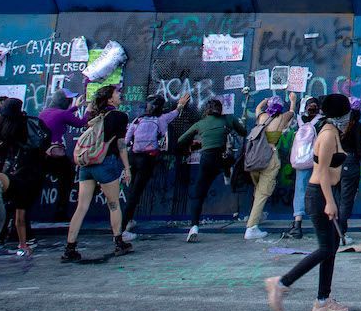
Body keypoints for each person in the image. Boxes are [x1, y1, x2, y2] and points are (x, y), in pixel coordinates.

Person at [265, 92, 350, 311]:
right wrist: (330, 203)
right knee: (325, 248)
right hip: (320, 195)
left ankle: (323, 300)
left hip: (324, 193)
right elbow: (321, 171)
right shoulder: (328, 135)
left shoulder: (332, 132)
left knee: (330, 249)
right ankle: (281, 283)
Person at [61, 84, 133, 262]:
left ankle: (70, 247)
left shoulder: (93, 116)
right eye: (116, 93)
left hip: (87, 164)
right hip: (106, 162)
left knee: (81, 206)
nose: (119, 95)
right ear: (110, 99)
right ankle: (118, 241)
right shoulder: (119, 116)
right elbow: (121, 144)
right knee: (114, 204)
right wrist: (127, 167)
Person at [0, 97, 46, 254]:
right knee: (21, 209)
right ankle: (23, 241)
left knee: (7, 205)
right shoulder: (29, 122)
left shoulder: (3, 125)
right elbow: (44, 139)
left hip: (7, 170)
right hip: (29, 170)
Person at [121, 91, 190, 239]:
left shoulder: (137, 121)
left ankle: (127, 220)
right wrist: (180, 105)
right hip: (148, 159)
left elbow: (126, 141)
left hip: (133, 158)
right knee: (136, 192)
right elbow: (175, 113)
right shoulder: (161, 120)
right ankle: (122, 228)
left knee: (133, 190)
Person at [179, 97, 247, 241]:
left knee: (198, 193)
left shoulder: (201, 123)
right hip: (222, 158)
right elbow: (243, 132)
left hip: (206, 159)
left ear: (206, 110)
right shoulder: (228, 120)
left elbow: (181, 140)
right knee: (233, 162)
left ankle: (194, 226)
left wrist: (197, 142)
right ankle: (228, 173)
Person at [244, 94, 298, 240]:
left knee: (258, 190)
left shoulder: (261, 118)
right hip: (270, 157)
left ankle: (257, 215)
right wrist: (293, 100)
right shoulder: (281, 119)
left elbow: (257, 108)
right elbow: (292, 112)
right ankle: (252, 226)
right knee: (263, 193)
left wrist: (264, 100)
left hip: (254, 158)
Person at [39, 89, 87, 222]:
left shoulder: (45, 112)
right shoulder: (61, 114)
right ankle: (61, 210)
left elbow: (60, 116)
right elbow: (81, 123)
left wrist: (75, 107)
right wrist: (89, 110)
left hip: (41, 153)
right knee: (66, 179)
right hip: (55, 155)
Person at [284, 97, 323, 240]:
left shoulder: (299, 121)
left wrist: (292, 102)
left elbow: (287, 123)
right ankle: (319, 223)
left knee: (300, 190)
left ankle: (297, 225)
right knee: (319, 191)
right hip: (317, 161)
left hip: (301, 161)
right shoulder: (321, 122)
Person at [336, 98, 361, 245]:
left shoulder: (336, 126)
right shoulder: (357, 127)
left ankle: (335, 231)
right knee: (346, 201)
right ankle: (341, 234)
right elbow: (360, 150)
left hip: (336, 162)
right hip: (350, 163)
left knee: (337, 200)